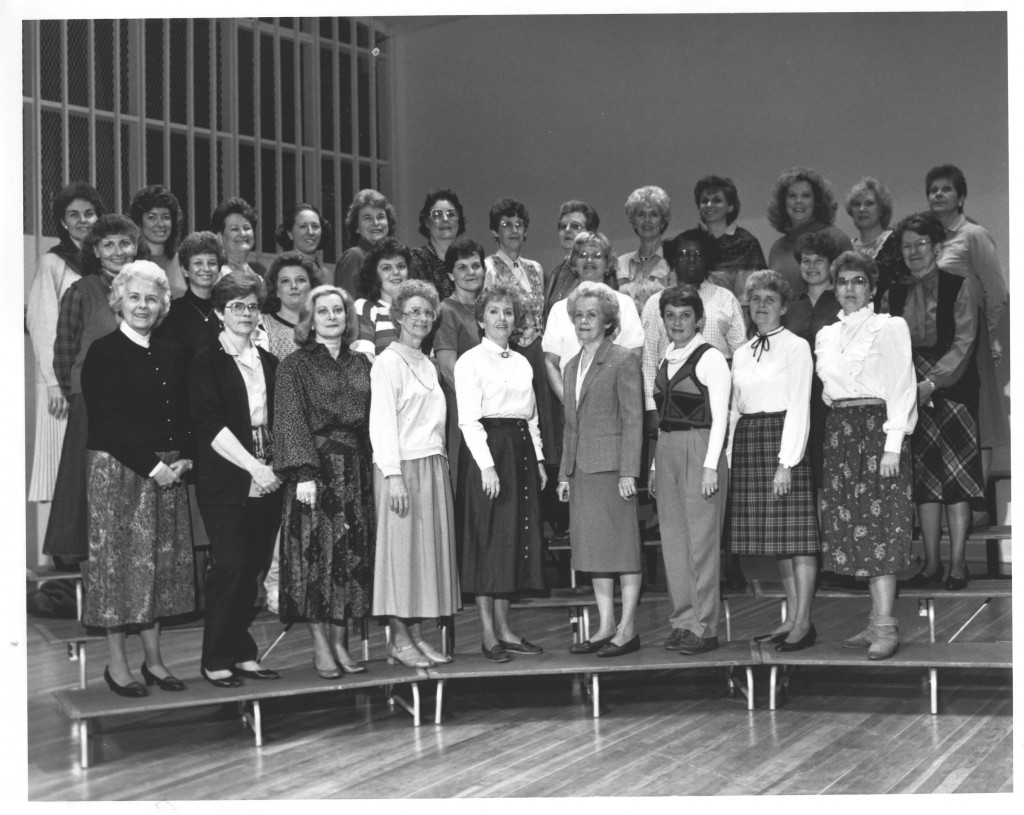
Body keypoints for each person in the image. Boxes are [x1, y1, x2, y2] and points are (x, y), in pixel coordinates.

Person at [80, 261, 194, 696]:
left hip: (166, 472)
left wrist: (185, 458)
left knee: (159, 570)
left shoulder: (169, 350)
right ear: (118, 302)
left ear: (163, 304)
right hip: (120, 473)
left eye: (151, 298)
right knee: (119, 570)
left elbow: (182, 414)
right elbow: (109, 424)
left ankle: (155, 662)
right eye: (134, 297)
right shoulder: (104, 351)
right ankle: (117, 666)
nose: (143, 306)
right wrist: (155, 468)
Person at [816, 251, 917, 659]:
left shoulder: (888, 327)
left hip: (877, 434)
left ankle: (887, 627)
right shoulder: (825, 334)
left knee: (881, 530)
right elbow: (828, 390)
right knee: (855, 528)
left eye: (859, 281)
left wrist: (893, 444)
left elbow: (902, 386)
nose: (850, 289)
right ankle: (875, 620)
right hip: (841, 433)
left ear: (872, 288)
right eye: (843, 282)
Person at [188, 270, 283, 687]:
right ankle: (215, 658)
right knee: (231, 564)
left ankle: (243, 651)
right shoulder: (206, 359)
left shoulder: (269, 361)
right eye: (235, 306)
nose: (245, 313)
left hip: (268, 474)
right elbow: (209, 425)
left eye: (251, 305)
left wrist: (273, 468)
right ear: (219, 312)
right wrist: (254, 467)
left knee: (255, 568)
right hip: (227, 475)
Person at [274, 285, 374, 678]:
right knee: (316, 557)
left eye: (339, 311)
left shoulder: (362, 364)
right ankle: (321, 646)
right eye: (323, 311)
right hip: (314, 473)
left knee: (350, 558)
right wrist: (303, 474)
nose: (332, 317)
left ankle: (342, 642)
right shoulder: (294, 365)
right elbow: (289, 419)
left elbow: (373, 421)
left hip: (356, 471)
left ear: (348, 319)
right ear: (310, 320)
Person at [883, 212, 983, 591]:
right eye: (907, 246)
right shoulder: (892, 292)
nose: (914, 252)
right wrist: (906, 385)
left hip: (952, 387)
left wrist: (930, 383)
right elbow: (887, 346)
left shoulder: (960, 285)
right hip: (909, 388)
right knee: (924, 479)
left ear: (938, 247)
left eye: (921, 244)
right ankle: (930, 564)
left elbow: (964, 342)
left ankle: (957, 563)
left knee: (956, 478)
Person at [369, 280, 460, 668]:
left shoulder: (427, 362)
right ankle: (397, 639)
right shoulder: (387, 362)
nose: (421, 318)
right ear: (399, 316)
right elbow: (382, 424)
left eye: (428, 312)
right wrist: (393, 476)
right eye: (414, 311)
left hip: (431, 465)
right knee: (400, 556)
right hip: (401, 467)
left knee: (424, 558)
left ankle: (418, 636)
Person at [727, 270, 819, 651]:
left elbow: (799, 405)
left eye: (770, 300)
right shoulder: (741, 352)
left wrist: (787, 462)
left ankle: (804, 623)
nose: (761, 307)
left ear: (783, 307)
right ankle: (790, 619)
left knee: (798, 540)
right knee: (780, 541)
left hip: (783, 441)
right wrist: (731, 459)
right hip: (750, 442)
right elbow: (734, 410)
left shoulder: (796, 347)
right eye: (756, 300)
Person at [456, 284, 547, 662]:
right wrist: (487, 467)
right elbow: (468, 420)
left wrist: (539, 460)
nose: (502, 318)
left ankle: (507, 629)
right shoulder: (470, 361)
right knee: (487, 539)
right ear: (480, 318)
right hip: (487, 452)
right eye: (494, 311)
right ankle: (488, 634)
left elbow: (533, 417)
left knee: (513, 537)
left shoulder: (523, 362)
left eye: (508, 312)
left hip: (520, 449)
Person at [44, 214, 140, 565]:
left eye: (125, 243)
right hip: (92, 405)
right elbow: (64, 351)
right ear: (97, 251)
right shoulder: (80, 291)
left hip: (139, 405)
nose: (118, 251)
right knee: (87, 489)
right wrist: (81, 399)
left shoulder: (148, 289)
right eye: (109, 244)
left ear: (135, 247)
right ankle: (89, 568)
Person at [556, 282, 644, 657]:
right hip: (582, 471)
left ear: (608, 321)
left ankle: (628, 628)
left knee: (623, 549)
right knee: (594, 551)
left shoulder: (623, 359)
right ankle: (606, 624)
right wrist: (564, 473)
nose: (583, 322)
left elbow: (634, 419)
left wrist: (630, 471)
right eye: (578, 315)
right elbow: (570, 425)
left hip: (613, 471)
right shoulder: (571, 364)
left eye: (592, 315)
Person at [924, 164, 1009, 524]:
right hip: (942, 347)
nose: (938, 195)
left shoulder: (973, 235)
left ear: (961, 196)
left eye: (946, 189)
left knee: (980, 419)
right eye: (933, 190)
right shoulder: (930, 240)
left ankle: (977, 503)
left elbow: (995, 291)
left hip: (970, 342)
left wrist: (986, 335)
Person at [648, 287, 730, 655]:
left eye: (684, 315)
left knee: (701, 543)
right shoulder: (666, 356)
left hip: (701, 448)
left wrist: (711, 466)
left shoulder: (710, 358)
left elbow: (722, 416)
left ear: (699, 320)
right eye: (670, 315)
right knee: (674, 543)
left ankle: (705, 626)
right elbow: (663, 417)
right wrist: (653, 464)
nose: (677, 322)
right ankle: (682, 622)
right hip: (666, 449)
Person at [26, 181, 104, 509]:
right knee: (63, 465)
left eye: (89, 213)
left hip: (98, 378)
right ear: (62, 221)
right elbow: (42, 325)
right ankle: (65, 553)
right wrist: (55, 384)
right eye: (74, 215)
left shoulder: (104, 261)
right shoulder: (53, 263)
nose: (82, 220)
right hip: (64, 381)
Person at [482, 197, 554, 465]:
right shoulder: (488, 267)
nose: (513, 229)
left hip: (536, 351)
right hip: (509, 351)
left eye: (518, 224)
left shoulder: (535, 268)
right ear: (494, 232)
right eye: (505, 224)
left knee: (541, 421)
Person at [782, 231, 842, 502]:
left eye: (819, 260)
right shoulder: (791, 308)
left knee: (830, 473)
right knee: (804, 474)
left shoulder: (843, 303)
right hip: (798, 399)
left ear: (832, 264)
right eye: (806, 261)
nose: (812, 266)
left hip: (831, 400)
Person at [434, 237, 486, 489]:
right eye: (462, 267)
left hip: (492, 404)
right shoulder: (446, 310)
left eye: (475, 265)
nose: (470, 272)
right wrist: (478, 403)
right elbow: (447, 368)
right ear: (451, 275)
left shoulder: (489, 307)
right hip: (464, 406)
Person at [766, 167, 853, 298]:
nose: (798, 201)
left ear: (816, 201)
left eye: (805, 195)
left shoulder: (837, 239)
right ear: (783, 202)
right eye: (792, 195)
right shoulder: (777, 248)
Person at [692, 175, 766, 298]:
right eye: (704, 201)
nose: (709, 205)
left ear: (730, 207)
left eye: (717, 200)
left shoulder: (745, 243)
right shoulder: (692, 243)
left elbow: (748, 297)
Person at [157, 231, 226, 361]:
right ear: (185, 270)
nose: (206, 269)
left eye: (211, 263)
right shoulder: (172, 313)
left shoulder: (227, 309)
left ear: (219, 269)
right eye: (198, 263)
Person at [844, 177, 904, 308]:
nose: (862, 209)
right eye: (856, 204)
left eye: (869, 203)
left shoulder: (896, 242)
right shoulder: (845, 247)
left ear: (881, 209)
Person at [352, 237, 411, 361]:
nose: (396, 272)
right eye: (386, 268)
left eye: (401, 266)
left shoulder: (418, 310)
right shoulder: (366, 307)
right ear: (374, 274)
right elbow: (364, 361)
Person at [617, 186, 672, 313]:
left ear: (663, 221)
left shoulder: (674, 262)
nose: (647, 220)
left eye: (654, 214)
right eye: (641, 214)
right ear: (633, 221)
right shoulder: (619, 264)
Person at [544, 200, 600, 319]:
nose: (567, 230)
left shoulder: (597, 270)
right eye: (562, 226)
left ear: (590, 233)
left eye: (575, 226)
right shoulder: (555, 272)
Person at [261, 251, 322, 360]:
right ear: (276, 291)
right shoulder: (263, 325)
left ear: (312, 287)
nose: (293, 286)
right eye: (285, 281)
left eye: (300, 280)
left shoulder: (324, 325)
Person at [335, 189, 396, 296]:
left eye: (380, 217)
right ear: (357, 227)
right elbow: (348, 305)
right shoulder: (354, 256)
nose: (376, 223)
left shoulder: (394, 259)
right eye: (368, 218)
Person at [130, 184, 187, 297]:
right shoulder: (130, 261)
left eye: (166, 217)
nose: (160, 224)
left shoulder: (183, 260)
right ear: (139, 222)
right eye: (151, 217)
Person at [410, 189, 466, 299]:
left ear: (459, 220)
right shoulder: (414, 261)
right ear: (426, 222)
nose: (445, 219)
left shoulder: (469, 261)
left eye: (451, 214)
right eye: (437, 214)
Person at [211, 196, 264, 276]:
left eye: (247, 228)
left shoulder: (260, 276)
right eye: (235, 229)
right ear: (220, 237)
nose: (243, 234)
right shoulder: (213, 276)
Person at [275, 203, 332, 274]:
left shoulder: (327, 276)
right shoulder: (278, 272)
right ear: (290, 233)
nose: (310, 232)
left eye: (315, 226)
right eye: (303, 226)